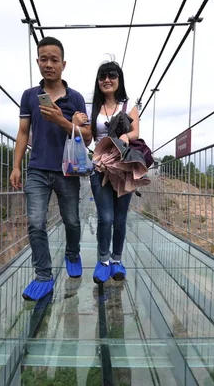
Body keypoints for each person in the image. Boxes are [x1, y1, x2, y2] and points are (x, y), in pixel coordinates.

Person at [10, 36, 91, 301]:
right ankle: (43, 275)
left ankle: (72, 253)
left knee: (71, 220)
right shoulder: (30, 96)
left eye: (54, 59)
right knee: (35, 222)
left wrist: (62, 120)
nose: (48, 64)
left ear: (63, 64)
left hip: (68, 170)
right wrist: (16, 166)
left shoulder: (76, 98)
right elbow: (23, 132)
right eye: (43, 59)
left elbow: (87, 137)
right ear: (37, 61)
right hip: (37, 169)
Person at [76, 61, 140, 284]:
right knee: (106, 217)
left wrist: (125, 137)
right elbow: (88, 139)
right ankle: (103, 261)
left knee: (120, 219)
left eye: (112, 75)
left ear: (119, 79)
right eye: (102, 76)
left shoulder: (128, 105)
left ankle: (116, 260)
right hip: (100, 166)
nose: (107, 80)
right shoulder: (92, 108)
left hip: (123, 167)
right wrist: (78, 125)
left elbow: (136, 132)